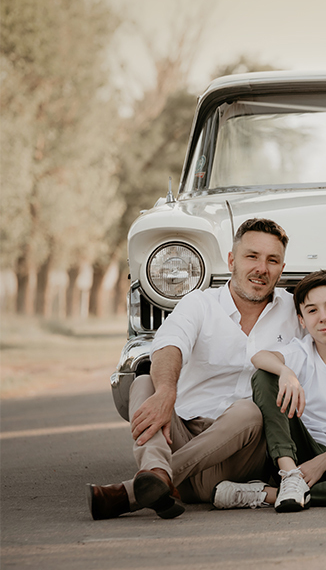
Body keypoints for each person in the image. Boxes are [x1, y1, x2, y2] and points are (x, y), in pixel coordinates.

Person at [87, 219, 301, 520]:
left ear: (282, 267)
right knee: (145, 383)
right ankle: (157, 472)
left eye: (272, 260)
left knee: (250, 410)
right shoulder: (200, 303)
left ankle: (147, 485)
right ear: (231, 260)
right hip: (182, 434)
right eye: (252, 256)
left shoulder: (295, 311)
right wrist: (166, 392)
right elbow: (169, 344)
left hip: (242, 455)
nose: (261, 269)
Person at [212, 271, 326, 511]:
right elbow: (259, 356)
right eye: (312, 310)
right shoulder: (300, 352)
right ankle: (290, 476)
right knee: (265, 375)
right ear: (302, 320)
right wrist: (286, 372)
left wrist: (321, 464)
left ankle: (266, 494)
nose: (323, 317)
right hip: (295, 453)